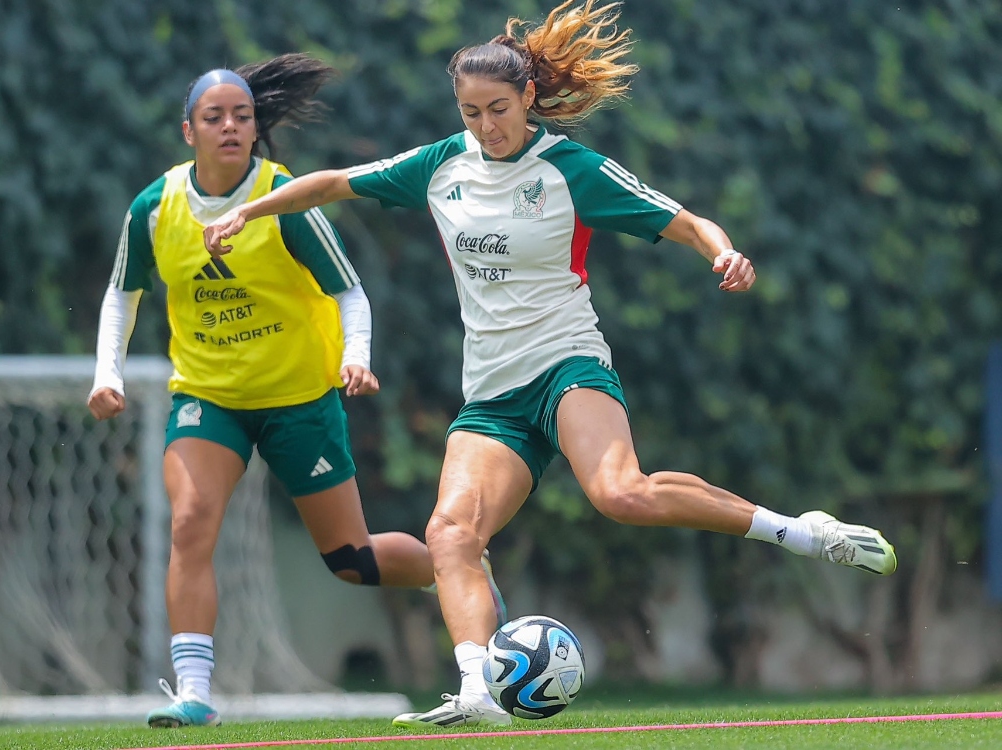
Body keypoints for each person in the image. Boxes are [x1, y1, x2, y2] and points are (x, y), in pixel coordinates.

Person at [203, 0, 898, 730]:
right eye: (470, 112)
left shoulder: (572, 168)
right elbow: (334, 183)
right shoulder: (439, 167)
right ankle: (477, 691)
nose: (485, 126)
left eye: (497, 109)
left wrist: (720, 252)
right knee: (451, 536)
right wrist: (247, 213)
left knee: (620, 494)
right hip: (493, 394)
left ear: (529, 97)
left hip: (567, 365)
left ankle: (800, 530)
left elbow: (684, 219)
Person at [88, 53, 505, 729]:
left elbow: (349, 290)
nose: (230, 126)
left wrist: (356, 358)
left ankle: (461, 575)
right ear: (187, 130)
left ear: (255, 129)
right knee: (191, 522)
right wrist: (106, 372)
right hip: (208, 395)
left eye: (243, 116)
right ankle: (193, 693)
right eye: (214, 117)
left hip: (298, 400)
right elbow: (121, 293)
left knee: (351, 559)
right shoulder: (155, 208)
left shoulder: (283, 201)